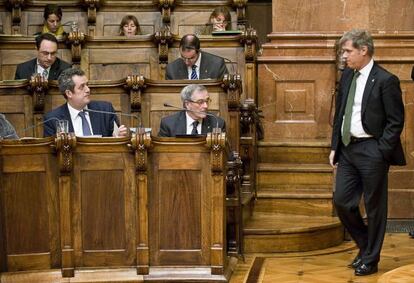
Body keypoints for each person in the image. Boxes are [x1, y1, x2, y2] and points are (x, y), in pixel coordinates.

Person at [329, 29, 405, 276]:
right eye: (343, 51)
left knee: (374, 207)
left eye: (348, 51)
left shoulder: (386, 80)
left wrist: (381, 150)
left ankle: (370, 259)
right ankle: (365, 247)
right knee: (342, 201)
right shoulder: (348, 76)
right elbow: (340, 112)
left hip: (373, 149)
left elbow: (396, 120)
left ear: (364, 50)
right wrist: (334, 147)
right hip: (348, 149)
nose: (344, 56)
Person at [43, 68, 128, 138]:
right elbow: (50, 153)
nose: (88, 90)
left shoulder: (105, 110)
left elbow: (115, 140)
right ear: (69, 93)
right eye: (82, 87)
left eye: (87, 85)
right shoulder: (53, 119)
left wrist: (117, 137)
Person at [158, 84, 225, 137]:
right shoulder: (169, 124)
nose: (206, 106)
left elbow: (225, 152)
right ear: (187, 104)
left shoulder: (217, 123)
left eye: (207, 101)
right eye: (200, 102)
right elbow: (160, 152)